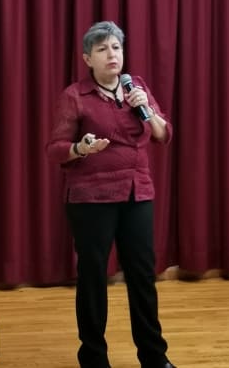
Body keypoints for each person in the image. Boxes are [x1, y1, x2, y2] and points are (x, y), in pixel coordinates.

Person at [46, 21, 176, 368]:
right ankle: (93, 358)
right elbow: (55, 149)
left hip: (137, 192)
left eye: (116, 47)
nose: (112, 54)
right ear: (88, 59)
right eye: (102, 49)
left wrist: (148, 108)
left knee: (142, 276)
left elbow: (163, 134)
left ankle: (154, 356)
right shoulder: (75, 96)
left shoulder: (138, 88)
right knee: (93, 278)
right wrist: (81, 147)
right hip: (91, 198)